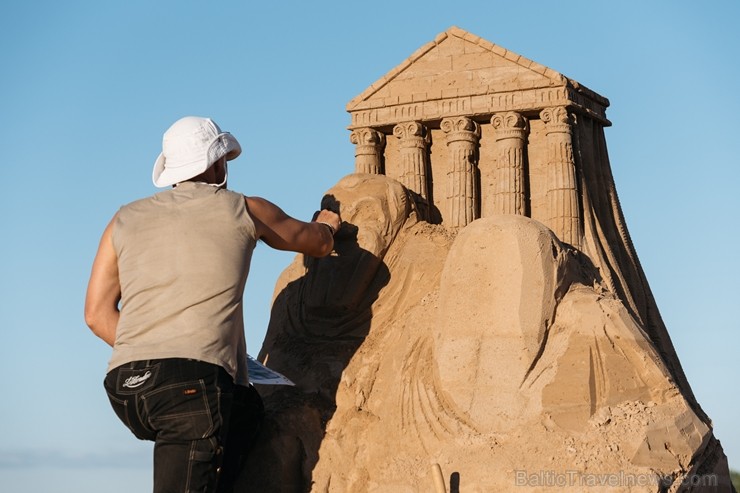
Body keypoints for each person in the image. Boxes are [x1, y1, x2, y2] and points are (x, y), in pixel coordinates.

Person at [84, 116, 341, 492]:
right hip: (188, 390)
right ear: (219, 162)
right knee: (199, 420)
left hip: (126, 386)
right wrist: (328, 224)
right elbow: (314, 242)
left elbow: (95, 315)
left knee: (245, 409)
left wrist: (150, 350)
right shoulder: (245, 209)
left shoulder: (123, 218)